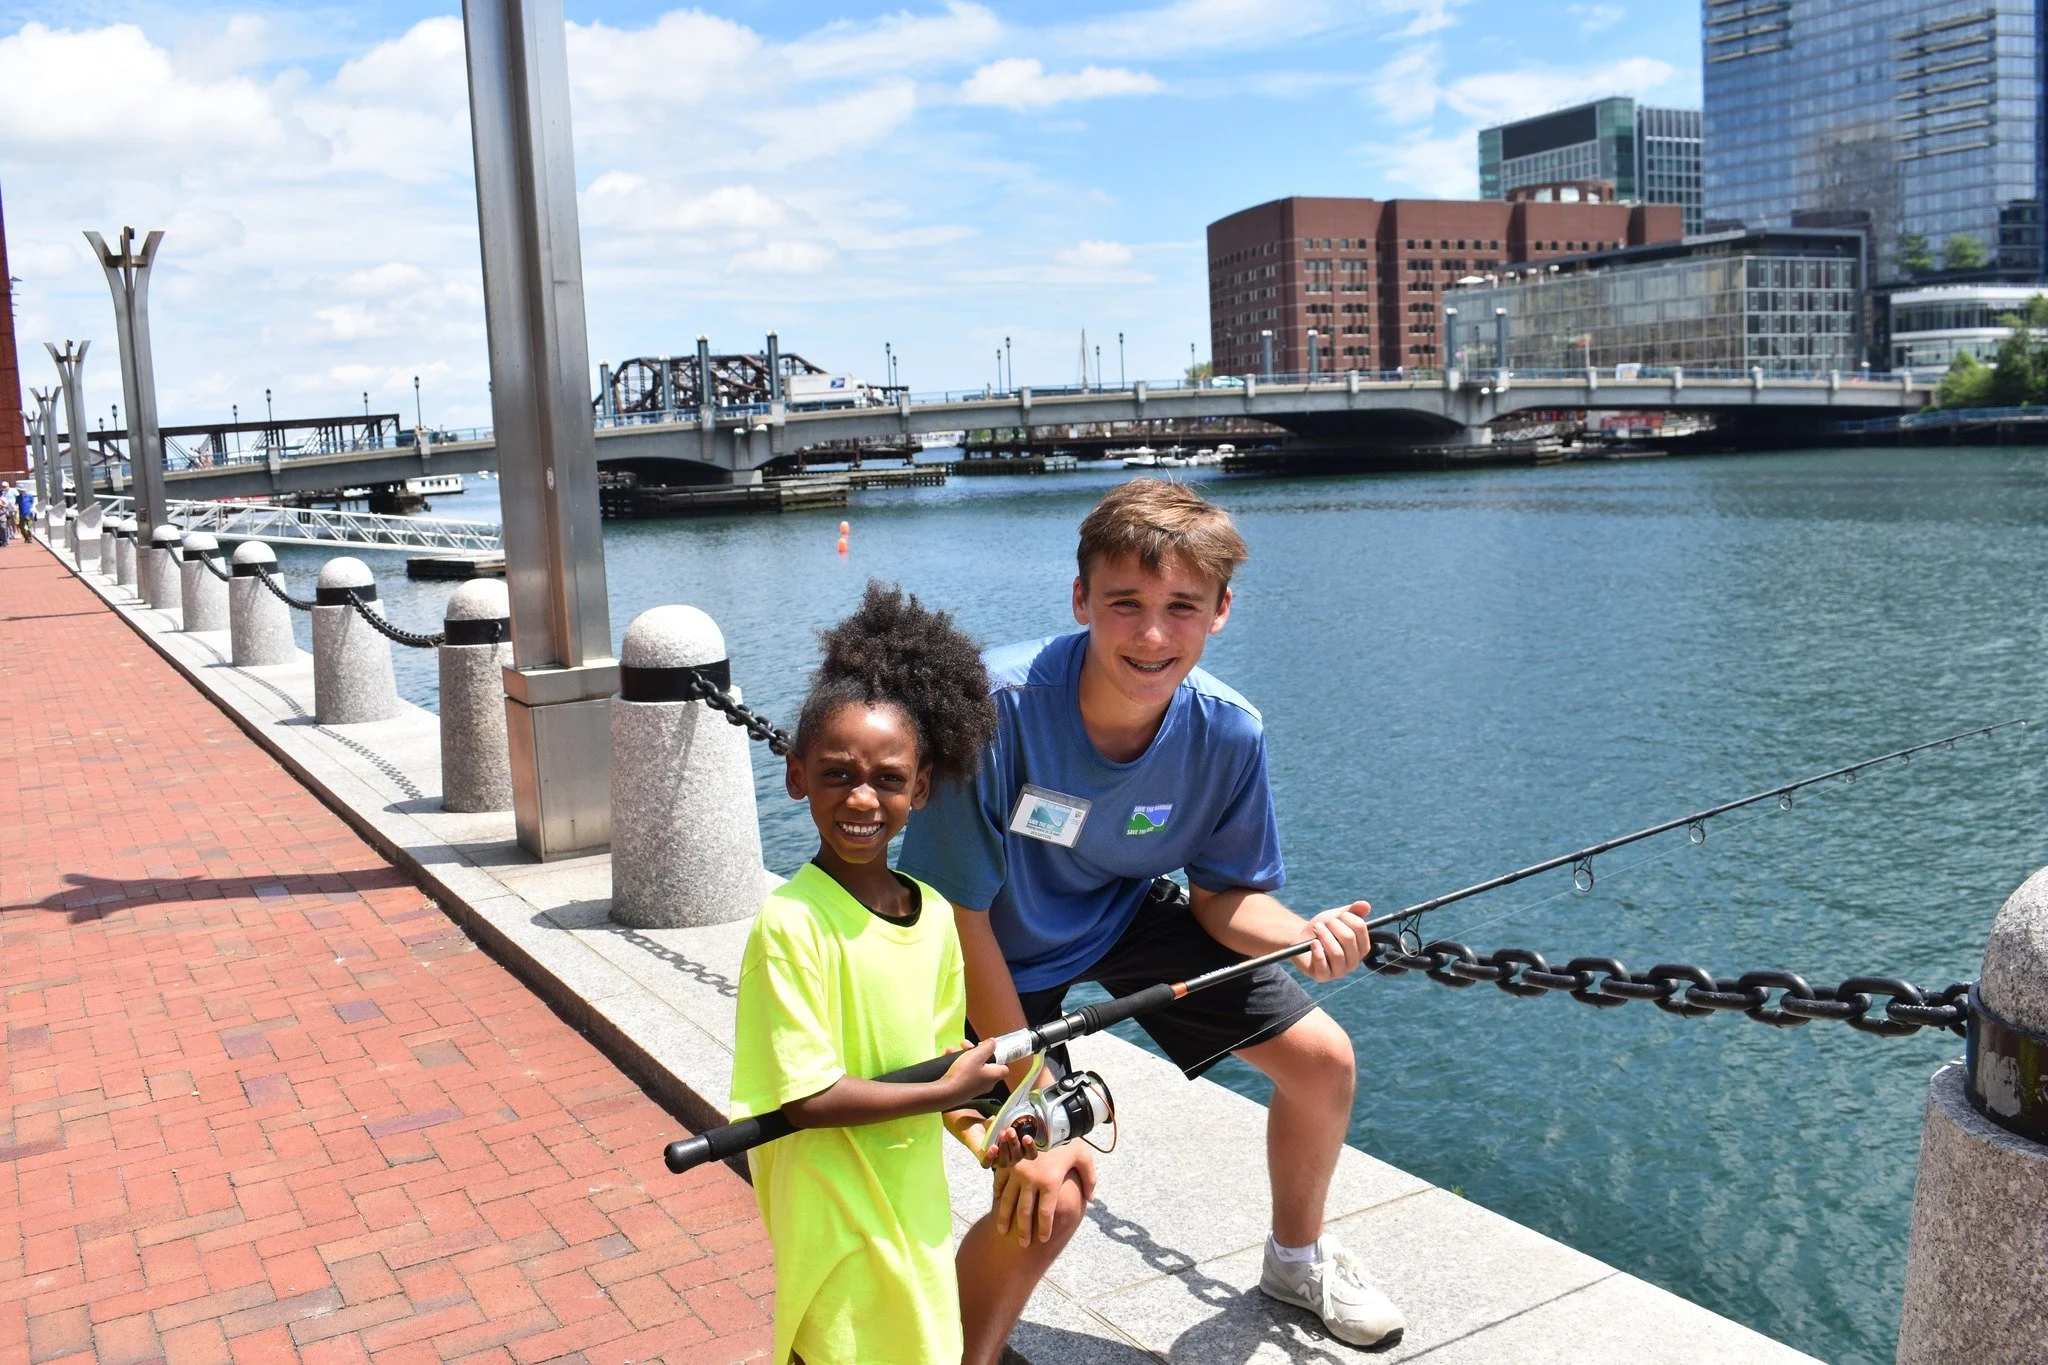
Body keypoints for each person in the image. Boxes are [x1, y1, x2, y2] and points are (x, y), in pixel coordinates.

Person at [900, 478, 1406, 1348]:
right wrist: (1035, 1082)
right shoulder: (994, 710)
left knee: (1323, 1060)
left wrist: (1303, 933)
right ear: (1080, 598)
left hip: (1118, 913)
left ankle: (1295, 1260)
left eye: (1182, 606)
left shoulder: (1230, 731)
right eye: (1125, 603)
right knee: (1050, 1195)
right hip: (975, 955)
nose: (1152, 633)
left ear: (1221, 612)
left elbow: (1222, 896)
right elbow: (959, 920)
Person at [730, 582, 1085, 1365]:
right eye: (837, 774)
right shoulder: (790, 923)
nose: (863, 796)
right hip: (832, 1225)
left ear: (922, 787)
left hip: (913, 1214)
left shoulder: (931, 914)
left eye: (889, 778)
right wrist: (954, 1090)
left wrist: (990, 1133)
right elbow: (809, 1095)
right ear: (797, 776)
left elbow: (938, 1063)